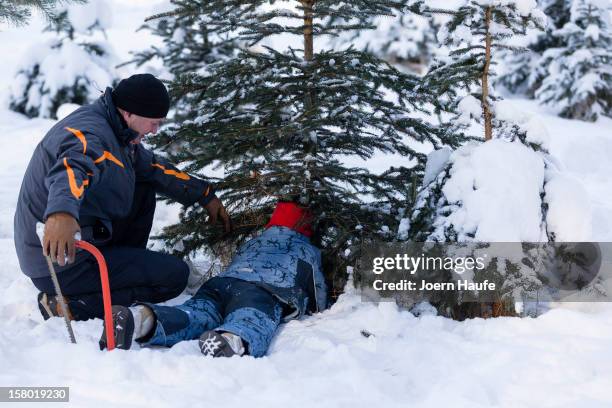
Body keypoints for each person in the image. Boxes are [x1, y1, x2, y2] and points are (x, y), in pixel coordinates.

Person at [13, 73, 231, 321]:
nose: (155, 129)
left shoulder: (116, 129)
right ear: (130, 113)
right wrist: (61, 213)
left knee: (143, 183)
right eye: (154, 122)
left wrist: (203, 194)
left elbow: (152, 167)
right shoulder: (90, 136)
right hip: (60, 261)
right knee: (174, 277)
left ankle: (125, 263)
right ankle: (73, 306)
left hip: (74, 246)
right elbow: (70, 170)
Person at [99, 201, 328, 358]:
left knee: (194, 314)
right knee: (251, 319)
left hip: (221, 284)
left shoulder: (255, 241)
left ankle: (140, 318)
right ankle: (231, 340)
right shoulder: (306, 250)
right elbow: (318, 294)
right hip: (260, 291)